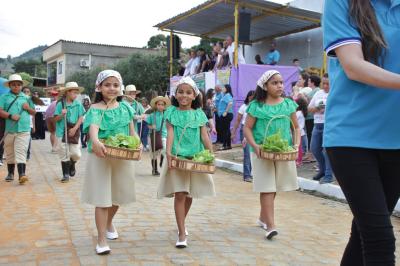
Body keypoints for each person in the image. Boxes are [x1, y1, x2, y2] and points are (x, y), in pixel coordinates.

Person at [323, 1, 400, 264]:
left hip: (396, 139)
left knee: (363, 237)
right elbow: (353, 66)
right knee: (380, 237)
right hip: (351, 136)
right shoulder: (341, 2)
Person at [81, 70, 138, 255]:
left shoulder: (126, 108)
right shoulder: (95, 108)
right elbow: (93, 129)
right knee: (102, 198)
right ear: (99, 87)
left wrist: (138, 143)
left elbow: (132, 130)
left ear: (120, 87)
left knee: (118, 196)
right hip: (101, 156)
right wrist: (96, 141)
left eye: (115, 85)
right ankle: (101, 239)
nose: (112, 88)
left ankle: (108, 223)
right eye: (107, 85)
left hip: (122, 156)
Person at [158, 76, 215, 248]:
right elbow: (170, 133)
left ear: (194, 95)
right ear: (175, 94)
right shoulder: (171, 112)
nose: (184, 95)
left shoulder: (199, 114)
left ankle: (181, 222)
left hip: (195, 159)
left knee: (189, 194)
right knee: (180, 193)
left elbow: (204, 136)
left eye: (188, 92)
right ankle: (181, 233)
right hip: (177, 158)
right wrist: (168, 152)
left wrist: (210, 154)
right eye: (180, 92)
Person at [244, 70, 300, 240]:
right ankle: (271, 226)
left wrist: (296, 144)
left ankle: (263, 218)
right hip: (262, 152)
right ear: (265, 86)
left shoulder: (288, 104)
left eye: (281, 82)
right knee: (267, 188)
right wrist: (255, 145)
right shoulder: (256, 106)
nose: (280, 86)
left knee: (274, 187)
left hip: (283, 151)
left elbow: (295, 127)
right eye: (274, 83)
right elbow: (247, 128)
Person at [0, 74, 36, 184]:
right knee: (10, 152)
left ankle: (22, 174)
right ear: (9, 86)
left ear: (21, 86)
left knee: (21, 151)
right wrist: (11, 116)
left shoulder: (27, 98)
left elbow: (34, 112)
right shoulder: (4, 97)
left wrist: (28, 108)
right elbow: (0, 111)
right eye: (14, 85)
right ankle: (10, 173)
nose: (16, 86)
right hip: (9, 129)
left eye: (18, 85)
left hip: (24, 129)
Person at [53, 82, 85, 183]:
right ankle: (65, 174)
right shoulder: (60, 104)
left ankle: (72, 163)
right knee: (64, 153)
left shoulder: (78, 104)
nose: (76, 95)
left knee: (76, 154)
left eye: (77, 93)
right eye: (74, 92)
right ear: (67, 92)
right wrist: (62, 115)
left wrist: (75, 128)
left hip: (74, 131)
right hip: (61, 132)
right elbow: (55, 119)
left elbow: (81, 117)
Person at [308, 73, 333, 183]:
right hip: (317, 124)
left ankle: (328, 175)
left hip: (329, 125)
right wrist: (317, 108)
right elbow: (309, 108)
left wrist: (327, 110)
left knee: (327, 151)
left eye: (328, 83)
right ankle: (322, 170)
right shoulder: (318, 93)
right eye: (324, 83)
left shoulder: (334, 93)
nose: (326, 86)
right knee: (314, 148)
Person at [231, 90, 255, 182]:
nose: (252, 98)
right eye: (251, 96)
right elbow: (237, 121)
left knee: (254, 153)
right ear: (248, 97)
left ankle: (252, 173)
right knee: (247, 153)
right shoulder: (243, 107)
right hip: (244, 130)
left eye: (254, 96)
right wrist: (233, 132)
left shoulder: (258, 107)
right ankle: (247, 175)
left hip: (254, 131)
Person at [147, 95, 170, 176]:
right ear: (156, 105)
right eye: (159, 104)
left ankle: (162, 161)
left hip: (164, 135)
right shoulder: (152, 115)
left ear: (164, 106)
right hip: (153, 136)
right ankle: (154, 170)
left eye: (162, 105)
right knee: (153, 154)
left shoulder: (166, 115)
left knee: (165, 150)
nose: (160, 106)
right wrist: (151, 126)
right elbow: (148, 125)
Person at [304, 75, 320, 151]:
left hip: (312, 116)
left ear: (313, 82)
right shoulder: (313, 91)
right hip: (310, 116)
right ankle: (310, 152)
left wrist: (304, 98)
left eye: (309, 81)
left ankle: (311, 153)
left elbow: (312, 103)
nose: (308, 82)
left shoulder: (317, 91)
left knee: (311, 135)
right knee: (310, 135)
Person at [218, 84, 234, 150]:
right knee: (227, 130)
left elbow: (230, 103)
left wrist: (225, 112)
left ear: (227, 89)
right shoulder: (225, 95)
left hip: (226, 115)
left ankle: (224, 145)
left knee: (225, 130)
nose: (222, 88)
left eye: (223, 87)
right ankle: (228, 145)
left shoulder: (227, 95)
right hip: (225, 115)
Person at [295, 97, 308, 167]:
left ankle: (299, 161)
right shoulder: (302, 112)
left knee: (298, 147)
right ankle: (299, 160)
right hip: (301, 131)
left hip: (298, 132)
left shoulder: (298, 113)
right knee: (299, 147)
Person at [22, 87, 35, 160]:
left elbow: (33, 114)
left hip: (29, 124)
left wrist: (34, 126)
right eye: (24, 91)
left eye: (28, 91)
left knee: (28, 140)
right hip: (20, 123)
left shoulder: (30, 101)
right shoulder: (19, 99)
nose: (26, 93)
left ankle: (27, 155)